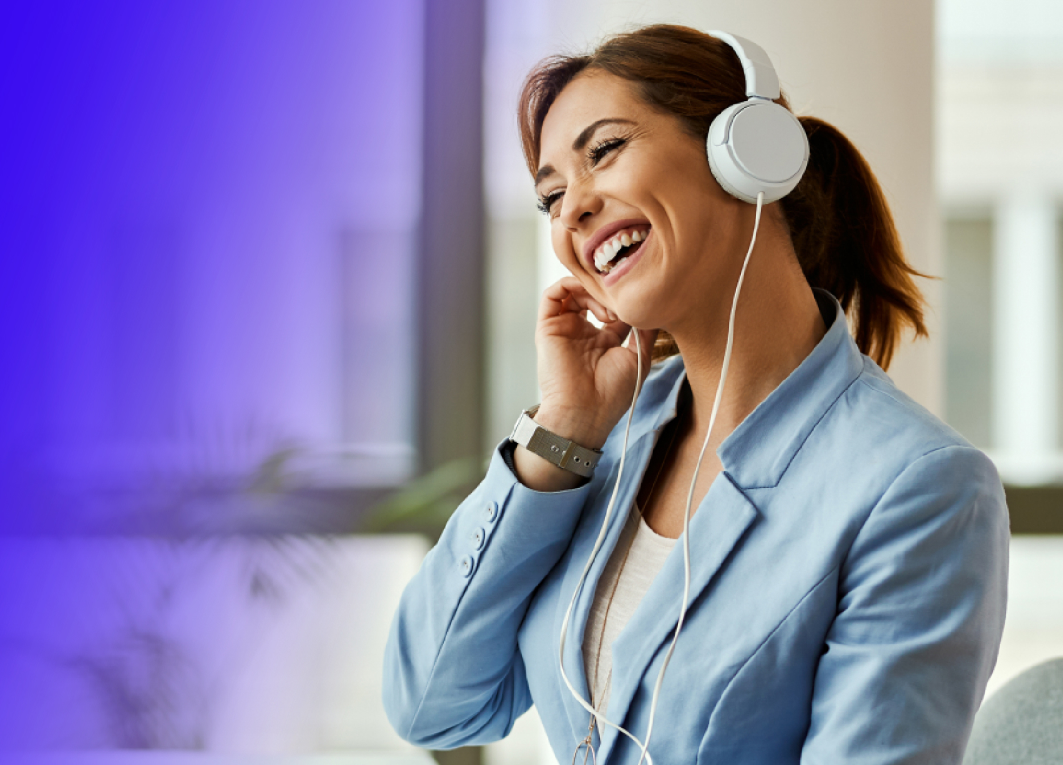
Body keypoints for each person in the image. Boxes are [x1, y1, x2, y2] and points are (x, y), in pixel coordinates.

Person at [382, 24, 1008, 765]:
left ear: (744, 151)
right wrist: (562, 433)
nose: (572, 209)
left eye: (605, 150)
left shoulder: (920, 488)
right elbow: (432, 704)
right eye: (551, 196)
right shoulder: (604, 442)